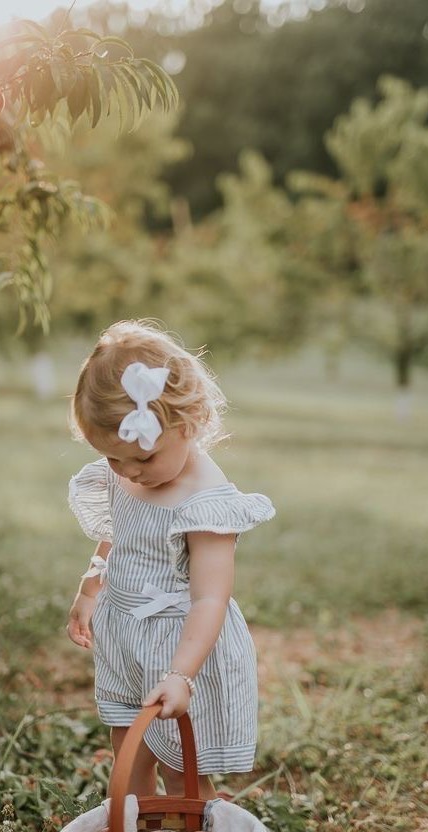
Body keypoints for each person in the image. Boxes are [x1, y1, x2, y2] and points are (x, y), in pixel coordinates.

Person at [66, 320, 275, 800]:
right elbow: (119, 533)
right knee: (129, 745)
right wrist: (91, 584)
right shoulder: (127, 470)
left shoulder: (206, 502)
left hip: (180, 643)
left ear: (189, 424)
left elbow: (209, 599)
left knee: (183, 763)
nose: (130, 472)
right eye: (116, 460)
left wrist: (180, 674)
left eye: (143, 459)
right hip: (124, 634)